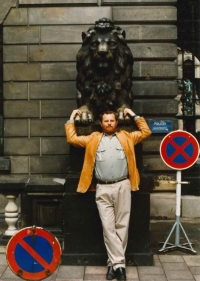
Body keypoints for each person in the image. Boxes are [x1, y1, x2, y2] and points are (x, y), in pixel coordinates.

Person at [65, 108, 151, 281]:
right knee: (108, 227)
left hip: (123, 186)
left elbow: (146, 132)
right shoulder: (93, 139)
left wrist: (132, 114)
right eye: (106, 121)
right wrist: (72, 118)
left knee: (122, 226)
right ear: (101, 123)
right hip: (102, 189)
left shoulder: (127, 137)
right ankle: (120, 265)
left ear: (116, 123)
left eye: (112, 120)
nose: (109, 123)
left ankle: (113, 265)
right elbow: (72, 138)